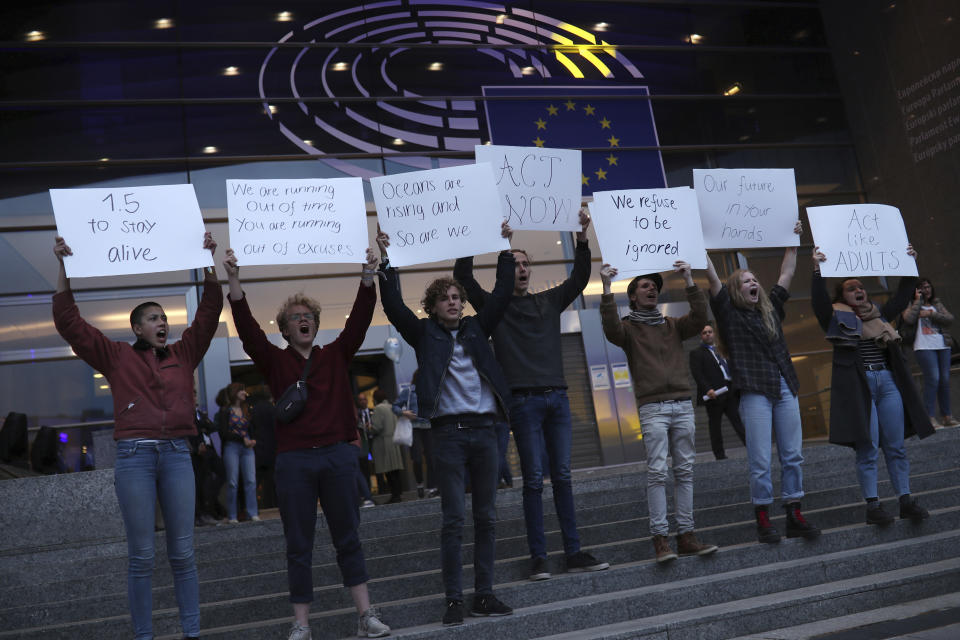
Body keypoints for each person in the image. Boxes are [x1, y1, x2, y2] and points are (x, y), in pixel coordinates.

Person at [52, 232, 222, 640]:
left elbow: (210, 312)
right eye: (153, 318)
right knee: (142, 555)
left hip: (178, 455)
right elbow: (69, 324)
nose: (162, 322)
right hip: (135, 458)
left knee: (183, 553)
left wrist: (208, 261)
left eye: (164, 317)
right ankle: (143, 636)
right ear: (137, 327)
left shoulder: (183, 353)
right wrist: (63, 267)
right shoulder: (116, 356)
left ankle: (191, 633)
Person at [223, 247, 390, 640]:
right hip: (294, 462)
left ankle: (366, 616)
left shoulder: (335, 354)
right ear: (284, 329)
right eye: (296, 318)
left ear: (316, 324)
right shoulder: (274, 361)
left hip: (337, 456)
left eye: (309, 316)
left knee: (348, 537)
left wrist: (368, 276)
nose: (304, 320)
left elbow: (361, 322)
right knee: (298, 544)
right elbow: (246, 329)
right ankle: (301, 623)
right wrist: (233, 280)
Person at [454, 211, 608, 581]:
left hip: (557, 399)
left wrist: (582, 238)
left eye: (525, 264)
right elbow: (463, 278)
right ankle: (539, 557)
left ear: (531, 270)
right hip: (522, 404)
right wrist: (483, 239)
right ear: (506, 271)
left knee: (564, 476)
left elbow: (578, 279)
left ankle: (572, 552)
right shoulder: (495, 308)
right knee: (534, 479)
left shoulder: (548, 301)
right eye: (514, 263)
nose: (521, 268)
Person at [378, 229, 515, 626]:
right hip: (449, 434)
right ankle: (454, 599)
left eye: (457, 297)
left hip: (486, 431)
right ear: (433, 307)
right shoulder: (424, 335)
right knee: (454, 518)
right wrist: (387, 262)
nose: (453, 302)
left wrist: (503, 245)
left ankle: (483, 595)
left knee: (486, 516)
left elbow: (503, 292)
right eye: (445, 299)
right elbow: (393, 306)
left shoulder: (477, 327)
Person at [705, 221, 820, 544]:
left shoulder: (771, 308)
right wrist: (696, 245)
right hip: (754, 390)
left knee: (792, 454)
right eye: (746, 281)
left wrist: (791, 243)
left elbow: (785, 274)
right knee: (759, 458)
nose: (753, 282)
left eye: (755, 278)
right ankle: (763, 519)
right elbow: (712, 278)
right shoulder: (728, 312)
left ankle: (794, 512)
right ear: (735, 291)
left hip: (785, 386)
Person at [600, 260, 719, 563]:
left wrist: (690, 279)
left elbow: (701, 316)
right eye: (644, 285)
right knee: (657, 472)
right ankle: (660, 540)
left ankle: (687, 536)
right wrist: (605, 288)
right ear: (634, 296)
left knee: (685, 471)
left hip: (681, 405)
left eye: (654, 285)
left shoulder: (673, 325)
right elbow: (611, 329)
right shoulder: (628, 329)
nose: (651, 287)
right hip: (653, 407)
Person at [811, 246, 933, 524]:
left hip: (887, 383)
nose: (858, 289)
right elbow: (818, 304)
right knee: (867, 447)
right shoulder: (836, 316)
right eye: (851, 287)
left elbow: (901, 298)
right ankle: (873, 506)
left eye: (861, 286)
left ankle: (905, 500)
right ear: (842, 296)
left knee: (896, 446)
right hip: (861, 385)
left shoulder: (877, 314)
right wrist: (817, 271)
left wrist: (909, 263)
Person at [900, 277, 957, 428]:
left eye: (928, 287)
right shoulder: (911, 305)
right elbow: (909, 319)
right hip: (924, 346)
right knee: (933, 378)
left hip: (943, 345)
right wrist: (918, 301)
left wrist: (931, 314)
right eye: (922, 288)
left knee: (944, 380)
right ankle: (929, 417)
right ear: (916, 291)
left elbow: (950, 319)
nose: (927, 290)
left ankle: (947, 416)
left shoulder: (936, 304)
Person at [689, 323, 746, 460]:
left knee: (738, 421)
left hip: (730, 391)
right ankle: (720, 455)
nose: (708, 334)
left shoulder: (722, 350)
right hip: (714, 394)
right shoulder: (696, 353)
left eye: (710, 331)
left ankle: (751, 447)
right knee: (715, 426)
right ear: (701, 336)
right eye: (704, 332)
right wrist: (707, 389)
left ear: (714, 334)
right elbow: (698, 374)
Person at [393, 371, 436, 498]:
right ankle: (420, 484)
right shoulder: (409, 392)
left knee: (431, 458)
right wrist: (404, 413)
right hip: (414, 428)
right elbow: (395, 406)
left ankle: (432, 487)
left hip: (428, 427)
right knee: (416, 458)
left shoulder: (431, 390)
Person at [221, 382, 260, 523]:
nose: (245, 393)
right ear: (235, 392)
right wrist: (242, 438)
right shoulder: (226, 411)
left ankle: (252, 512)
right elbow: (224, 433)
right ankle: (232, 515)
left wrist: (253, 439)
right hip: (232, 447)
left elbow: (252, 428)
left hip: (247, 448)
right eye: (242, 391)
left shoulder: (246, 410)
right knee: (232, 482)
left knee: (251, 480)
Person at [190, 390, 225, 526]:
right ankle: (200, 514)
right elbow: (193, 430)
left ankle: (211, 507)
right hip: (196, 452)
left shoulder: (200, 413)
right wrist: (196, 445)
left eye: (195, 395)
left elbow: (211, 426)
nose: (194, 398)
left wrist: (204, 428)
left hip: (209, 450)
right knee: (199, 483)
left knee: (219, 473)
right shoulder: (188, 414)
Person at [370, 389, 404, 503]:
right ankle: (398, 494)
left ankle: (395, 495)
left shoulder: (379, 408)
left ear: (375, 398)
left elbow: (376, 427)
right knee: (395, 470)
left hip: (384, 442)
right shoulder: (392, 407)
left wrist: (367, 427)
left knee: (388, 471)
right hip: (394, 440)